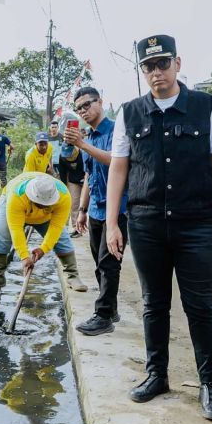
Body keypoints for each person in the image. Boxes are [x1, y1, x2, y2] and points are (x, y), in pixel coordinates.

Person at [105, 34, 212, 421]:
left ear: (178, 63)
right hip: (145, 223)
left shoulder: (203, 106)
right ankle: (156, 375)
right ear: (142, 72)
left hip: (194, 222)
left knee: (199, 306)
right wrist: (113, 222)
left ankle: (209, 385)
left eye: (162, 63)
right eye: (148, 66)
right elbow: (118, 168)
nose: (156, 72)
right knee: (154, 303)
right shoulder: (130, 113)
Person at [64, 86, 129, 336]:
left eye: (87, 105)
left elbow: (116, 161)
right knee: (99, 263)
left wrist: (81, 144)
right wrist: (82, 210)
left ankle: (103, 316)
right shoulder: (89, 137)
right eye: (79, 108)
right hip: (96, 209)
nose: (84, 111)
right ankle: (110, 308)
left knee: (109, 262)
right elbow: (89, 175)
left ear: (100, 102)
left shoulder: (116, 131)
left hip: (119, 208)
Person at [0, 172, 87, 291]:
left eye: (45, 204)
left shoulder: (64, 197)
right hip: (14, 204)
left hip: (45, 217)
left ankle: (73, 276)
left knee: (62, 239)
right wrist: (25, 257)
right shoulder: (17, 195)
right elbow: (16, 229)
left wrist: (43, 249)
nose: (41, 206)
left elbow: (56, 227)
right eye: (39, 203)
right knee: (1, 234)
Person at [58, 138, 86, 238]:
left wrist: (85, 179)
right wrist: (63, 186)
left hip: (86, 178)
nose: (68, 156)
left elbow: (89, 167)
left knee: (90, 204)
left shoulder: (82, 153)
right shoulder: (62, 157)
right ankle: (76, 228)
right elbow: (62, 173)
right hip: (73, 181)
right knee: (74, 204)